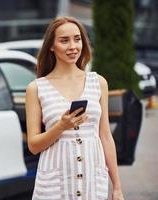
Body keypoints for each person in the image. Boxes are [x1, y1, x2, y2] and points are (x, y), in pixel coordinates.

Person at [25, 16, 124, 200]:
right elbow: (33, 146)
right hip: (54, 186)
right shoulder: (36, 88)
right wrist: (61, 126)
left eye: (77, 39)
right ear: (51, 46)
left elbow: (105, 136)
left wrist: (117, 186)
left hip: (93, 183)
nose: (73, 46)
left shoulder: (98, 82)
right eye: (64, 40)